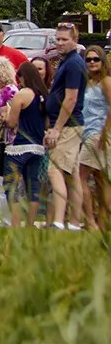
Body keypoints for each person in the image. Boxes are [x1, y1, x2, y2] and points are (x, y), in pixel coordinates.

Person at [43, 21, 87, 230]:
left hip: (68, 125)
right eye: (57, 39)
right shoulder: (66, 61)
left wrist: (57, 128)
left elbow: (71, 98)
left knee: (55, 170)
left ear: (75, 41)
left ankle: (59, 222)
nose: (59, 43)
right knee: (72, 174)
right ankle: (75, 222)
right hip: (67, 124)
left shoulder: (74, 63)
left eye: (64, 40)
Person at [0, 58, 51, 226]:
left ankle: (15, 223)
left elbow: (12, 123)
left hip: (19, 146)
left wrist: (4, 116)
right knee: (33, 186)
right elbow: (47, 123)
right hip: (37, 146)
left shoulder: (22, 94)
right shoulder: (43, 95)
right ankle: (30, 224)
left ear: (23, 77)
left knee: (10, 185)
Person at [78, 44, 109, 231]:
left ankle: (91, 221)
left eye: (96, 59)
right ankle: (102, 223)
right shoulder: (88, 83)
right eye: (88, 59)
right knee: (99, 179)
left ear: (103, 61)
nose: (92, 62)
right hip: (86, 132)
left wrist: (105, 133)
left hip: (98, 134)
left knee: (80, 176)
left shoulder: (106, 82)